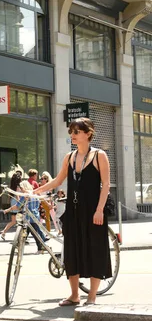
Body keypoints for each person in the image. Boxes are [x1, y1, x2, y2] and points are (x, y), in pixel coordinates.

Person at [34, 117, 111, 306]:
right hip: (74, 211)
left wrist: (100, 209)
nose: (73, 135)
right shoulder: (69, 157)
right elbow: (58, 181)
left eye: (76, 132)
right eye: (71, 132)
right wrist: (36, 191)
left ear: (88, 133)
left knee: (95, 250)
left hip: (93, 211)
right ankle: (74, 295)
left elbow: (106, 184)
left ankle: (91, 296)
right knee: (72, 252)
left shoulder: (99, 155)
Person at [6, 181, 48, 254]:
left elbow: (17, 206)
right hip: (35, 216)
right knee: (29, 232)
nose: (21, 190)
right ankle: (19, 247)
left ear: (24, 187)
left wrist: (8, 209)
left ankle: (41, 247)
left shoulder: (25, 196)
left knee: (31, 233)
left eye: (21, 188)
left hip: (28, 217)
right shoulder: (35, 193)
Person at [0, 172, 22, 241]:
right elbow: (18, 195)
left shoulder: (12, 186)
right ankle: (21, 236)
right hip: (17, 203)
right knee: (21, 220)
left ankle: (4, 231)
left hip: (13, 202)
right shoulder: (18, 186)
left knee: (13, 221)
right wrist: (20, 203)